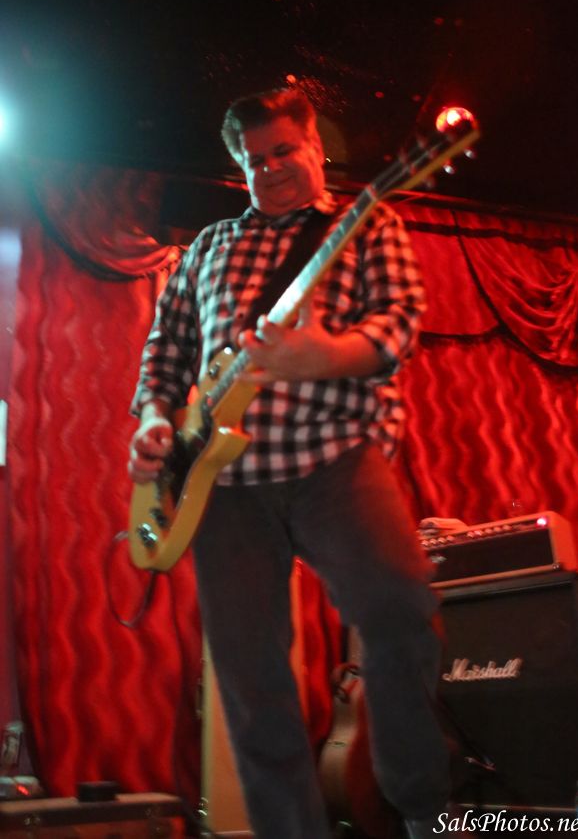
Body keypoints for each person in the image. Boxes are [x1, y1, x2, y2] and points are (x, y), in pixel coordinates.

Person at [128, 87, 455, 839]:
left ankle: (424, 812)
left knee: (400, 609)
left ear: (316, 147)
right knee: (250, 675)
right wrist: (153, 421)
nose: (270, 168)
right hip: (223, 484)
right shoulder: (207, 247)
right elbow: (165, 350)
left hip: (335, 456)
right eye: (254, 160)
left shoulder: (369, 222)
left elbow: (399, 323)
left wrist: (322, 355)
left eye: (284, 151)